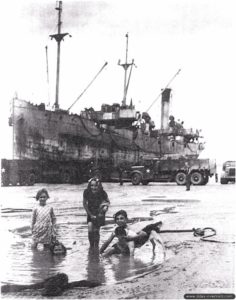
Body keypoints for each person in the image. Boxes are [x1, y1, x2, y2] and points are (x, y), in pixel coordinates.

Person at [83, 177, 110, 248]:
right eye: (92, 185)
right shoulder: (86, 192)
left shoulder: (102, 193)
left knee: (96, 230)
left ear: (99, 186)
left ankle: (96, 247)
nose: (93, 187)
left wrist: (105, 208)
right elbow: (84, 204)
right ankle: (91, 246)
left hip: (99, 213)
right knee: (90, 228)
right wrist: (90, 214)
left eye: (95, 185)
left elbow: (107, 202)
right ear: (89, 185)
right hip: (90, 212)